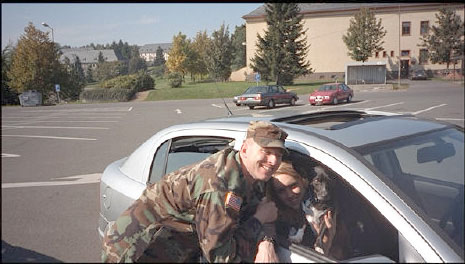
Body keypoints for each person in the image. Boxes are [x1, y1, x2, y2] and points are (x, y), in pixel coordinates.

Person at [101, 121, 288, 262]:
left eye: (278, 155)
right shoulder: (218, 186)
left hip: (175, 247)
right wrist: (258, 221)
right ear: (245, 149)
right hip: (137, 251)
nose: (273, 161)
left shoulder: (255, 175)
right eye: (266, 151)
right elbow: (220, 256)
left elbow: (266, 208)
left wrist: (266, 241)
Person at [255, 158, 337, 262]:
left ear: (302, 181)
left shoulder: (320, 208)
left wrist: (328, 236)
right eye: (281, 191)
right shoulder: (276, 221)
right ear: (275, 194)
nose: (289, 195)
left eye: (293, 185)